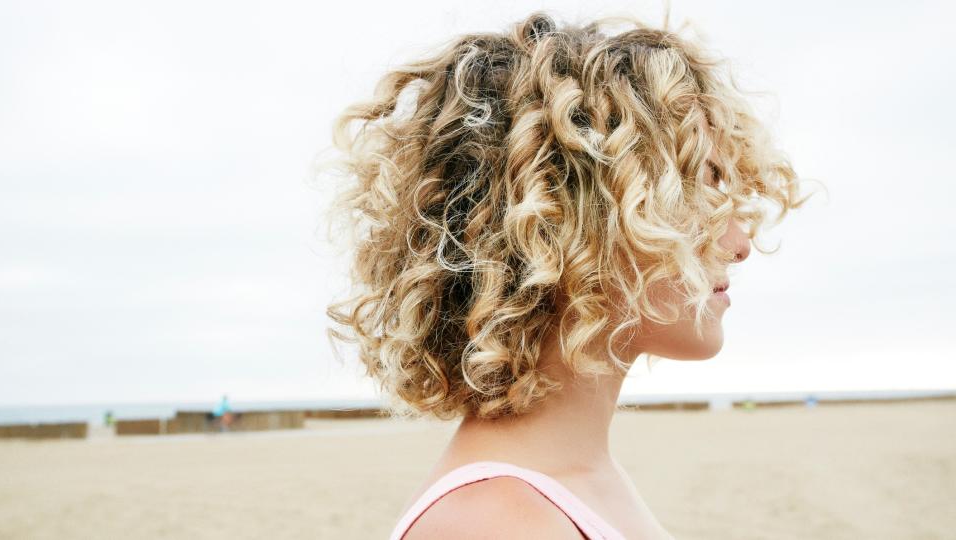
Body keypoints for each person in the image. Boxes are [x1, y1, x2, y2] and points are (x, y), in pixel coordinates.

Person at [324, 10, 813, 540]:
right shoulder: (494, 521)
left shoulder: (574, 481)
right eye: (700, 188)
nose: (739, 243)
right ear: (571, 221)